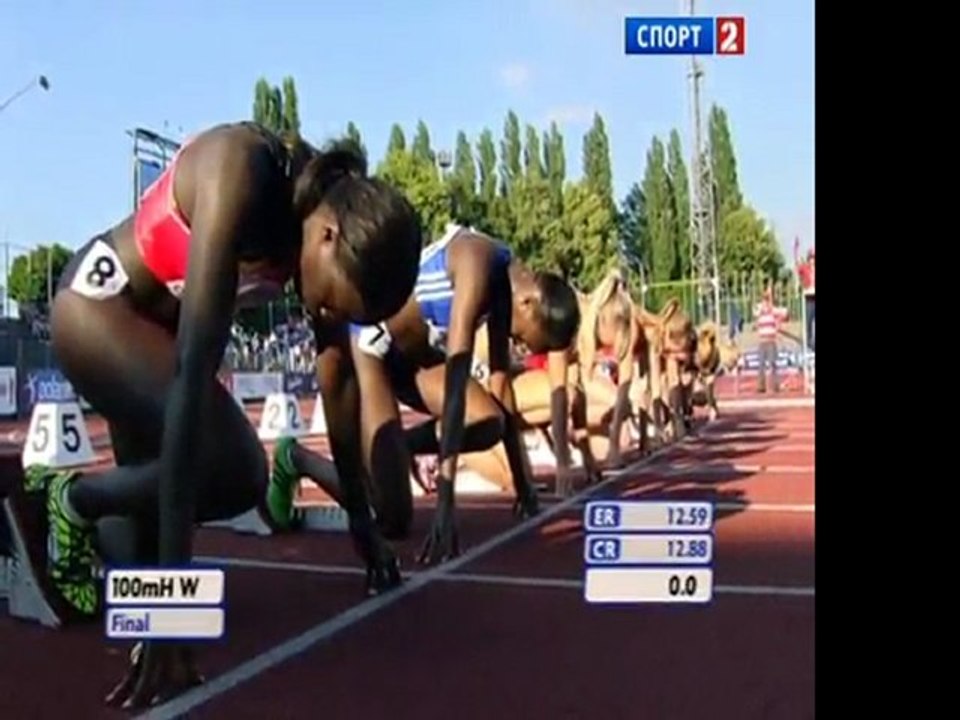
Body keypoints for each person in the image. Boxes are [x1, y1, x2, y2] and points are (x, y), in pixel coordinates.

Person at [21, 122, 423, 709]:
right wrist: (169, 611)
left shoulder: (322, 228)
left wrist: (364, 530)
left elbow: (337, 392)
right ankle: (73, 498)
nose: (324, 310)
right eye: (333, 300)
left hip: (154, 346)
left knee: (129, 557)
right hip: (98, 314)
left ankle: (68, 511)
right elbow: (190, 376)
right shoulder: (242, 170)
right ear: (330, 236)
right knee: (237, 470)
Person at [269, 223, 580, 565]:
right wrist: (445, 509)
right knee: (392, 519)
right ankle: (295, 458)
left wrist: (525, 488)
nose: (519, 345)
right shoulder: (477, 263)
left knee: (491, 422)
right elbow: (456, 392)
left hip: (414, 360)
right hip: (372, 345)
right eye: (523, 339)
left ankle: (394, 448)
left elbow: (501, 386)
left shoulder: (506, 284)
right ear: (529, 303)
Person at [754, 286, 789, 393]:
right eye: (765, 298)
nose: (766, 301)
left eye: (768, 298)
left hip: (771, 341)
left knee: (773, 364)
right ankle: (761, 386)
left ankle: (775, 386)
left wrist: (775, 312)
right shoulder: (759, 309)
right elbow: (757, 311)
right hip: (762, 341)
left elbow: (785, 313)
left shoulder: (774, 310)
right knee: (761, 364)